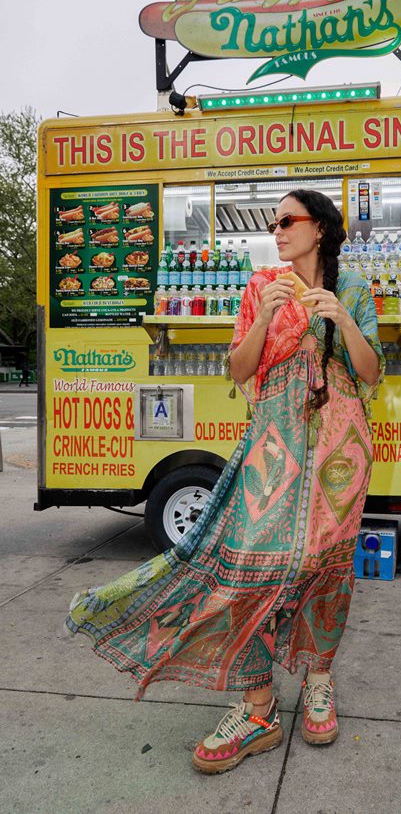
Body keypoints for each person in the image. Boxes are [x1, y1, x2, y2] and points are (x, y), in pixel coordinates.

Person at [66, 188, 384, 774]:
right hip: (273, 447)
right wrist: (265, 317)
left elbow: (371, 375)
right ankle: (258, 704)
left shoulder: (354, 288)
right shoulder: (262, 285)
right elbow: (239, 368)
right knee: (247, 566)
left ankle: (318, 679)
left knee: (326, 565)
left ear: (319, 229)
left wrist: (339, 318)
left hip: (340, 454)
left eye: (287, 220)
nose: (277, 230)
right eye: (274, 222)